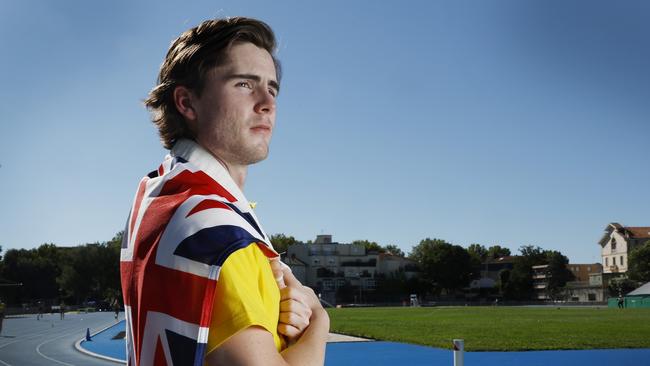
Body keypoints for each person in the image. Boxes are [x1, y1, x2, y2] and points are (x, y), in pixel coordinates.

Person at [120, 17, 329, 366]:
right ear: (187, 103)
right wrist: (319, 320)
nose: (267, 103)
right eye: (244, 84)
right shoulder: (217, 234)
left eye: (272, 88)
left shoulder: (157, 194)